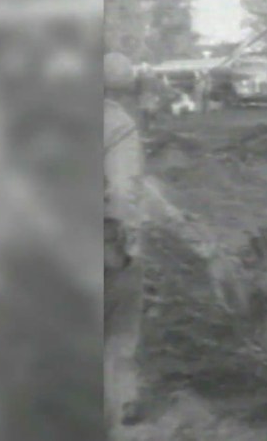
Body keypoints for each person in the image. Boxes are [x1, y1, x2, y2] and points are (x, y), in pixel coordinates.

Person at [103, 52, 148, 434]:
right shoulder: (117, 124)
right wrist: (130, 240)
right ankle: (120, 404)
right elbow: (122, 189)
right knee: (120, 326)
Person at [135, 64, 161, 132]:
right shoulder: (152, 78)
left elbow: (136, 89)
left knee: (147, 113)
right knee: (150, 112)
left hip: (145, 97)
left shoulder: (139, 79)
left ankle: (148, 127)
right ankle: (150, 126)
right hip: (148, 97)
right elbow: (157, 88)